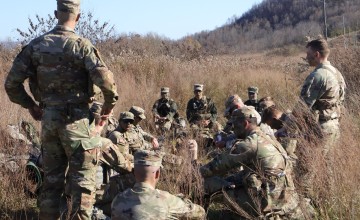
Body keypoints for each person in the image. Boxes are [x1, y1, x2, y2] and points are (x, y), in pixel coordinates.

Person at [4, 0, 119, 218]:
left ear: (56, 13)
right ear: (79, 16)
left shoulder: (36, 46)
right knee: (82, 187)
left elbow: (11, 84)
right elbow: (108, 85)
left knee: (51, 186)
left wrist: (31, 106)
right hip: (78, 124)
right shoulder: (82, 46)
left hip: (49, 122)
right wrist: (106, 111)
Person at [200, 106, 307, 219]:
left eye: (235, 125)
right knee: (230, 179)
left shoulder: (249, 144)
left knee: (206, 184)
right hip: (284, 199)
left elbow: (214, 167)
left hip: (265, 203)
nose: (234, 129)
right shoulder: (269, 138)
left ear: (245, 124)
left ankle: (200, 215)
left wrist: (193, 173)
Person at [111, 150, 206, 220]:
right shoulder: (167, 200)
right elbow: (200, 213)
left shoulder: (117, 200)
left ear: (134, 173)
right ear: (157, 174)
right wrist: (182, 199)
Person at [300, 38, 346, 154]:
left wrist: (285, 128)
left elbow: (302, 108)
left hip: (321, 129)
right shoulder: (337, 73)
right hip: (334, 126)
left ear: (316, 54)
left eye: (308, 54)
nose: (306, 57)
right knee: (328, 167)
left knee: (311, 168)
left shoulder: (318, 76)